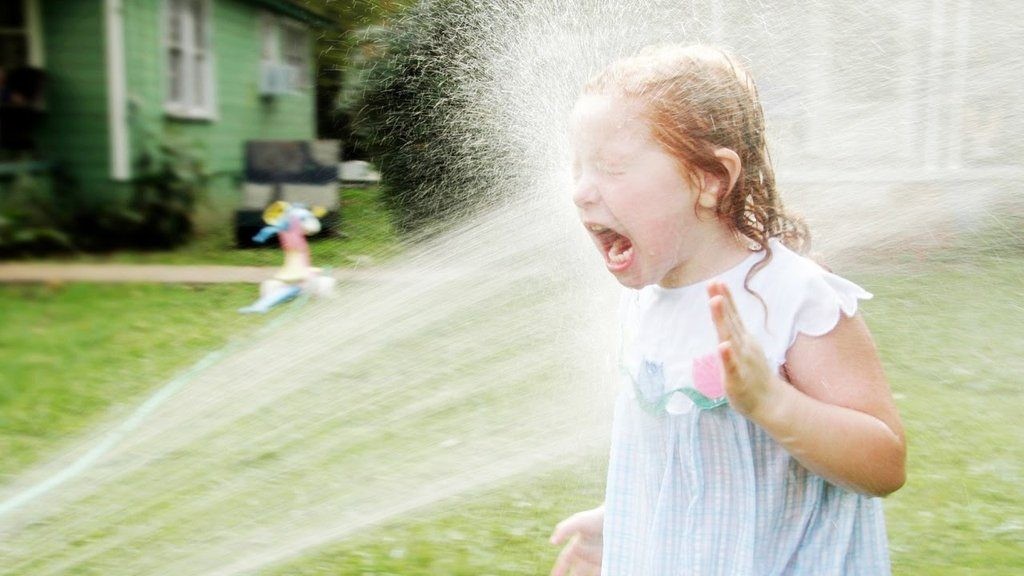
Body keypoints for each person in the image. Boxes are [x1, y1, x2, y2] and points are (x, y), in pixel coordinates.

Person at [549, 45, 906, 576]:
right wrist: (624, 521)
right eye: (578, 166)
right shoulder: (645, 301)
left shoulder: (793, 299)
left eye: (610, 167)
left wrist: (773, 402)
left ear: (710, 179)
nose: (580, 191)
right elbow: (690, 464)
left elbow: (884, 464)